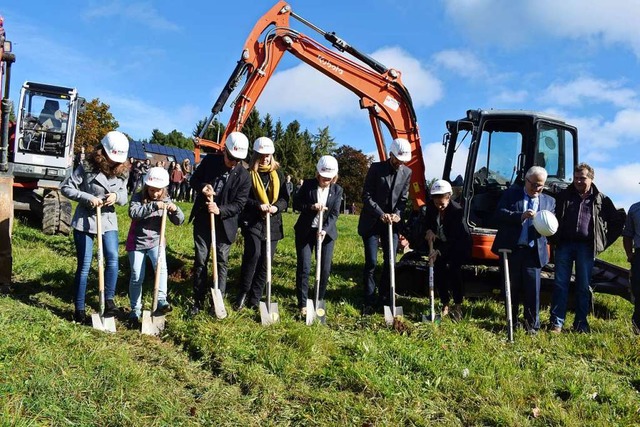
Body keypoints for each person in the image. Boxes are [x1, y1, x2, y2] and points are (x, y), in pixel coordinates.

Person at [60, 131, 130, 323]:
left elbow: (124, 195)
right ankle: (79, 308)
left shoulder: (123, 171)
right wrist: (88, 198)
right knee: (84, 265)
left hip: (108, 221)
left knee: (113, 258)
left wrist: (116, 197)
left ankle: (108, 300)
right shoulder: (86, 167)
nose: (114, 162)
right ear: (102, 152)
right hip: (86, 220)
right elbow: (66, 188)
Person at [549, 163, 625, 333]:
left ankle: (581, 324)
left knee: (583, 286)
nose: (578, 181)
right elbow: (550, 218)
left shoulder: (601, 199)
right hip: (564, 245)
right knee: (560, 284)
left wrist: (602, 243)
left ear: (591, 178)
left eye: (582, 178)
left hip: (586, 247)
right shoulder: (564, 195)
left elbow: (617, 221)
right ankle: (556, 323)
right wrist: (553, 238)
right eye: (576, 177)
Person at [189, 132, 251, 315]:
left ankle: (218, 299)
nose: (233, 162)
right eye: (231, 158)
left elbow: (240, 204)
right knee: (201, 260)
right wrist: (202, 187)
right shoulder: (209, 162)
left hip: (225, 225)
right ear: (224, 151)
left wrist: (220, 210)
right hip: (203, 220)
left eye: (237, 160)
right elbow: (194, 180)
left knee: (222, 261)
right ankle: (197, 300)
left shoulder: (244, 176)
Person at [491, 166, 555, 334]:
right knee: (511, 288)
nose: (537, 189)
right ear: (526, 181)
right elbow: (499, 214)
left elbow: (552, 226)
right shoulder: (511, 194)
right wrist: (519, 216)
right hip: (512, 250)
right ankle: (510, 322)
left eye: (540, 185)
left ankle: (532, 326)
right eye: (533, 184)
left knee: (533, 290)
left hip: (534, 252)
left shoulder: (549, 201)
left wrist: (545, 226)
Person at [358, 137, 412, 313]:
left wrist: (397, 215)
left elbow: (403, 199)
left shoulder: (407, 173)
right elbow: (366, 196)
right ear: (391, 155)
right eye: (398, 159)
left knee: (390, 262)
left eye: (403, 161)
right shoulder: (376, 169)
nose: (400, 163)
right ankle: (368, 298)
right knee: (372, 262)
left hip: (392, 225)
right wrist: (381, 214)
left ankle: (384, 297)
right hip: (373, 221)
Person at [234, 137, 289, 310]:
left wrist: (276, 208)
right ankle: (243, 292)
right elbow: (243, 199)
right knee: (254, 255)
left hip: (272, 223)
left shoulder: (278, 174)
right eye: (262, 155)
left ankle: (255, 297)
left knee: (266, 261)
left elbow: (285, 200)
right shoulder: (247, 174)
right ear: (256, 155)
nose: (265, 158)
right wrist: (258, 205)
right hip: (252, 221)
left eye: (268, 155)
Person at [126, 167, 185, 323]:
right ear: (147, 187)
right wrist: (154, 206)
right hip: (137, 242)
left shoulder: (166, 200)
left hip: (156, 242)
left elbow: (180, 221)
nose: (156, 194)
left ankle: (161, 300)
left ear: (164, 189)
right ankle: (135, 309)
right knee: (137, 276)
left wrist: (175, 210)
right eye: (152, 190)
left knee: (161, 268)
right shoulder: (138, 197)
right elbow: (133, 213)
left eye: (159, 191)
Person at [293, 156, 343, 316]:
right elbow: (296, 204)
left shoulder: (337, 190)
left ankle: (318, 299)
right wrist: (311, 207)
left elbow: (335, 213)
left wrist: (325, 230)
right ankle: (302, 303)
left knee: (325, 269)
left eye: (328, 178)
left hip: (325, 234)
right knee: (304, 267)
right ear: (318, 174)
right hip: (306, 232)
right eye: (322, 177)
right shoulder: (308, 185)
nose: (325, 180)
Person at [423, 179, 472, 320]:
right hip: (440, 244)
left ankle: (457, 305)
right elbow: (427, 223)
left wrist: (439, 251)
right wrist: (429, 231)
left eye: (442, 204)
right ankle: (445, 304)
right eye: (436, 203)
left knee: (454, 271)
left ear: (449, 197)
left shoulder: (457, 211)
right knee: (439, 271)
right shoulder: (431, 207)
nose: (439, 207)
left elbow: (455, 237)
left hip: (458, 245)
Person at [623, 197, 640, 334]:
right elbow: (627, 234)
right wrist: (629, 254)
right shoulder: (634, 209)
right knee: (638, 290)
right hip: (639, 255)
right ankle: (637, 328)